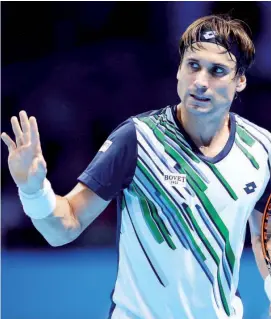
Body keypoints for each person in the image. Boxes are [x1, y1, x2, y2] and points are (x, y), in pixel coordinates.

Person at [1, 14, 271, 319]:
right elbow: (64, 227)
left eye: (217, 71)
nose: (200, 82)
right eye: (192, 65)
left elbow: (265, 238)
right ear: (179, 70)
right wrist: (33, 189)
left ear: (241, 81)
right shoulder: (138, 139)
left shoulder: (261, 150)